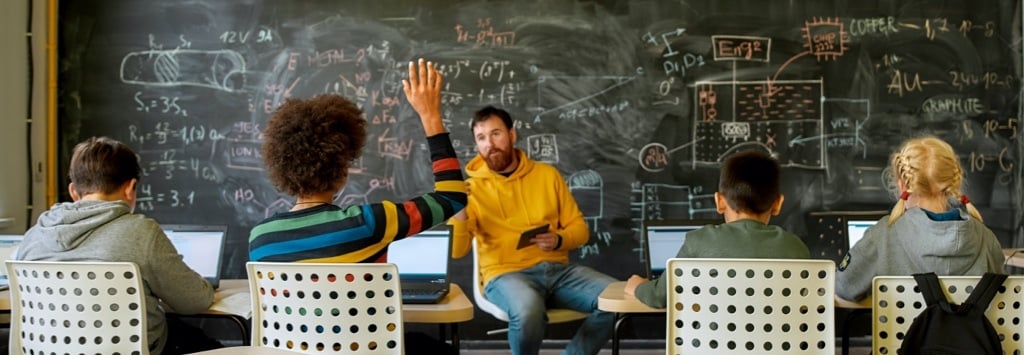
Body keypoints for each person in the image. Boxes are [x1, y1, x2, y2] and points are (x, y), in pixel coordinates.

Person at [248, 58, 466, 263]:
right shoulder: (372, 222)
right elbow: (453, 197)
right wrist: (430, 116)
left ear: (283, 167)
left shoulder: (260, 239)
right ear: (342, 172)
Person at [17, 137, 218, 355]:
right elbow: (193, 301)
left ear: (74, 191)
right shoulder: (141, 232)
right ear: (130, 188)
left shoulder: (33, 236)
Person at [449, 105, 616, 355]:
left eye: (496, 134)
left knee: (620, 300)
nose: (489, 144)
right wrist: (458, 209)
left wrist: (558, 240)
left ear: (512, 135)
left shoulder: (548, 176)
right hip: (505, 275)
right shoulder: (470, 189)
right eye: (481, 138)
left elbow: (580, 231)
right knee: (527, 311)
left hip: (559, 272)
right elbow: (458, 251)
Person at [624, 150, 810, 309]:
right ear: (778, 204)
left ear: (719, 202)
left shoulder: (698, 241)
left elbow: (660, 297)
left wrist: (638, 286)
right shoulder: (796, 248)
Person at [835, 136, 1004, 301]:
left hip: (903, 330)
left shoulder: (883, 236)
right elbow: (999, 297)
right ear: (954, 183)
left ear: (903, 185)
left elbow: (843, 287)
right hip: (972, 330)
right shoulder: (986, 238)